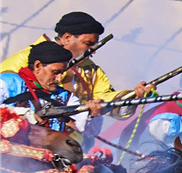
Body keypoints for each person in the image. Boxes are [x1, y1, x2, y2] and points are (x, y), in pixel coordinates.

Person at [0, 11, 149, 106]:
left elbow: (103, 98)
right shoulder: (26, 59)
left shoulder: (91, 70)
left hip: (73, 146)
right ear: (67, 38)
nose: (93, 52)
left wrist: (132, 95)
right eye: (88, 44)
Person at [0, 41, 100, 131]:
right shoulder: (8, 82)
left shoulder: (65, 97)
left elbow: (85, 129)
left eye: (62, 73)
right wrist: (23, 113)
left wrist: (92, 112)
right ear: (38, 66)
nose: (59, 79)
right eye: (55, 72)